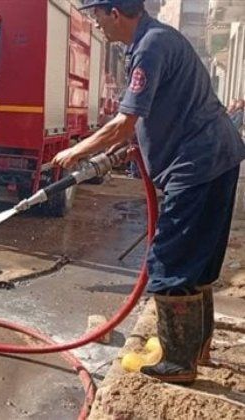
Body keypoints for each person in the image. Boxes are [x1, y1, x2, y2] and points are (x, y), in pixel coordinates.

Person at [54, 0, 245, 384]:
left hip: (196, 163)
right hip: (217, 156)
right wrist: (129, 146)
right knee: (198, 261)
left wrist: (77, 150)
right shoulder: (157, 40)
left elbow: (125, 122)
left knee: (170, 259)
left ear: (115, 13)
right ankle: (196, 350)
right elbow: (154, 114)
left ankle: (177, 362)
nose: (96, 24)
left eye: (97, 15)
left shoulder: (150, 46)